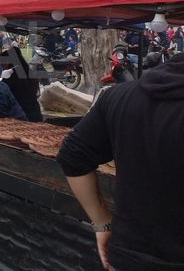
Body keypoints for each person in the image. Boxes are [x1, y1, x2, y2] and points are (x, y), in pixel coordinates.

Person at [56, 53, 184, 270]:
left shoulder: (120, 95)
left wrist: (101, 222)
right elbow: (72, 155)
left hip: (129, 256)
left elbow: (72, 156)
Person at [0, 46, 43, 122]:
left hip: (22, 117)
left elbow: (3, 95)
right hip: (35, 114)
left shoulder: (11, 76)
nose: (1, 65)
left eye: (2, 62)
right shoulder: (27, 71)